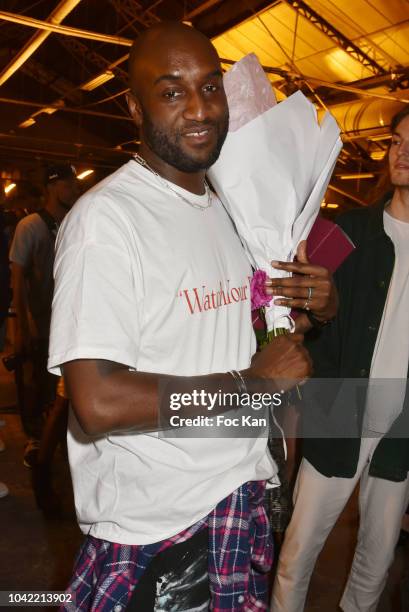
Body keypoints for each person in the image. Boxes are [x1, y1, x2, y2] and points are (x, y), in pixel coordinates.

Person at [48, 22, 336, 610]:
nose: (199, 108)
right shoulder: (107, 221)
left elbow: (237, 334)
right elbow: (97, 401)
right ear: (134, 105)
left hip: (237, 496)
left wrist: (309, 312)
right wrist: (252, 384)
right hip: (159, 525)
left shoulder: (230, 211)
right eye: (172, 91)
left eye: (210, 86)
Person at [271, 105, 409, 612]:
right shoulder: (343, 232)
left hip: (401, 427)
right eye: (396, 140)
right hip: (338, 412)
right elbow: (291, 313)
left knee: (377, 558)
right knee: (297, 553)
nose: (403, 151)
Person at [9, 164, 79, 471]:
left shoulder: (76, 223)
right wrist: (22, 327)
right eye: (66, 184)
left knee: (62, 388)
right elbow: (17, 279)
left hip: (70, 325)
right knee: (37, 384)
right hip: (41, 324)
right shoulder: (30, 226)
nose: (73, 189)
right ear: (51, 187)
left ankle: (60, 439)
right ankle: (34, 440)